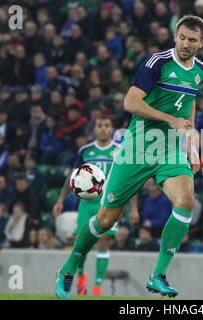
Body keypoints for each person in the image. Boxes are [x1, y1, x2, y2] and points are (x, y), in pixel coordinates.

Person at [55, 15, 203, 299]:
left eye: (192, 40)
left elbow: (189, 102)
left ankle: (158, 275)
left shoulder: (200, 69)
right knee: (106, 219)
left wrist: (192, 143)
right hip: (137, 146)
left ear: (202, 43)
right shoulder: (157, 62)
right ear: (175, 35)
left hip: (169, 147)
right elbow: (130, 102)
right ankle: (69, 266)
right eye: (182, 37)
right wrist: (169, 119)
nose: (186, 44)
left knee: (186, 200)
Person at [52, 116, 140, 296]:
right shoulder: (85, 150)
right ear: (95, 129)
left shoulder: (119, 151)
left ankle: (97, 286)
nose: (103, 129)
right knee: (80, 240)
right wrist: (60, 200)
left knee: (104, 241)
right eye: (99, 125)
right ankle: (81, 278)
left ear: (112, 129)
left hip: (110, 203)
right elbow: (72, 176)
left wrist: (134, 208)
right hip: (87, 203)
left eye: (107, 125)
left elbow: (129, 180)